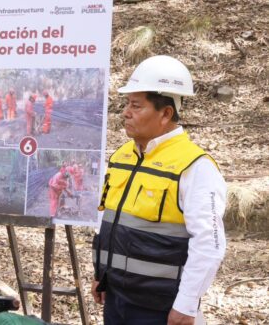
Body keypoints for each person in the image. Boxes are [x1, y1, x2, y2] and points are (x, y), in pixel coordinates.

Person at [92, 55, 226, 325]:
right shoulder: (121, 158)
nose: (126, 113)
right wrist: (100, 274)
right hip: (116, 299)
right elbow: (107, 220)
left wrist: (186, 305)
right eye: (127, 104)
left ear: (165, 113)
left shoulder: (195, 167)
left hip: (160, 308)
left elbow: (209, 244)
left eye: (136, 106)